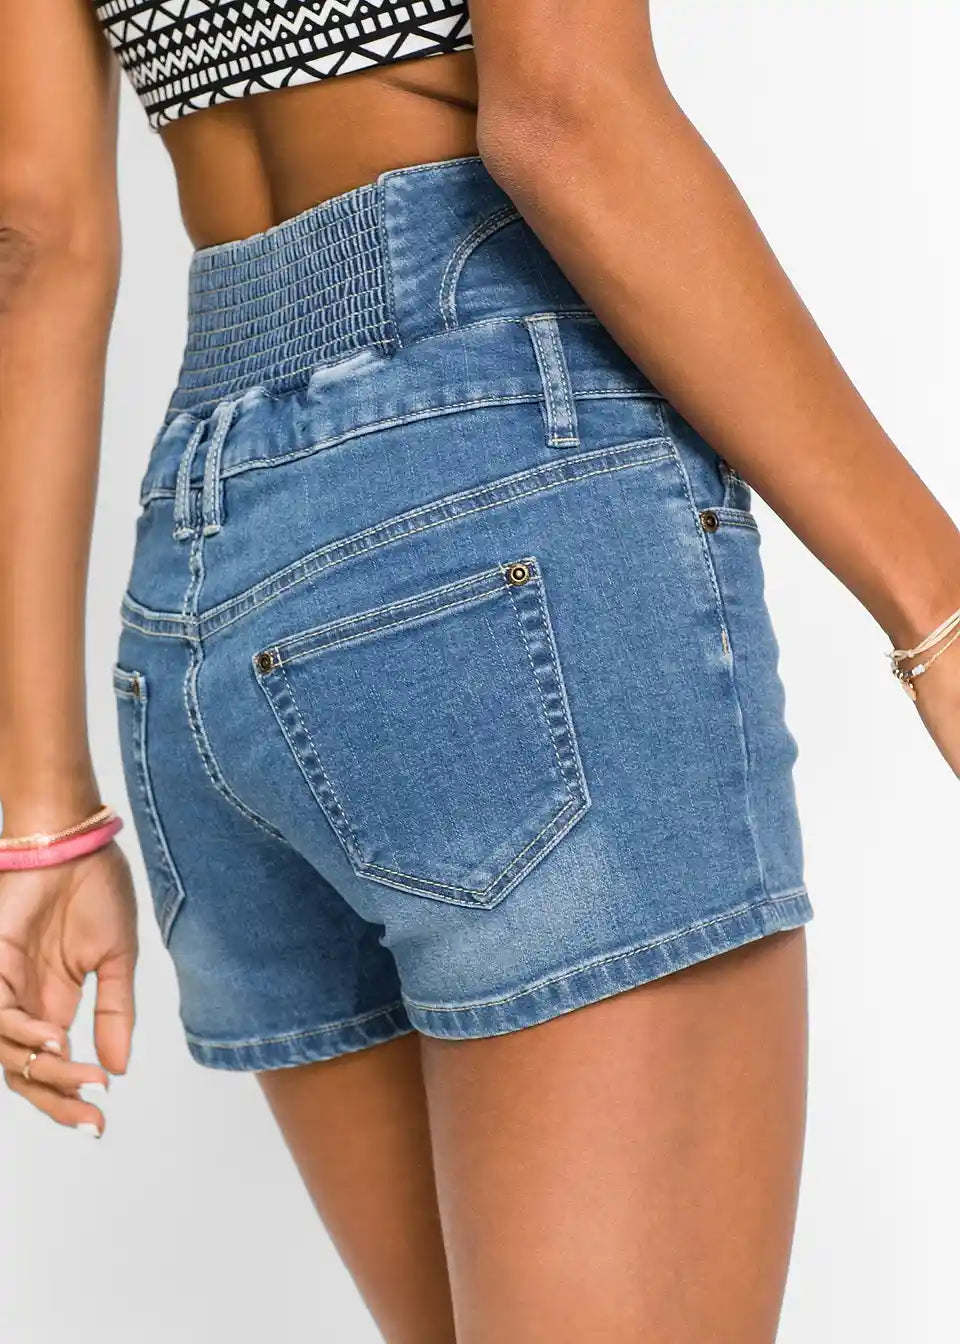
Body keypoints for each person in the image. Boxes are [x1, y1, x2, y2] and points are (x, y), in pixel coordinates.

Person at [1, 3, 957, 1340]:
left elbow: (32, 234)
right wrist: (938, 602)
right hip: (490, 487)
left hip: (203, 562)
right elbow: (562, 118)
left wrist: (41, 818)